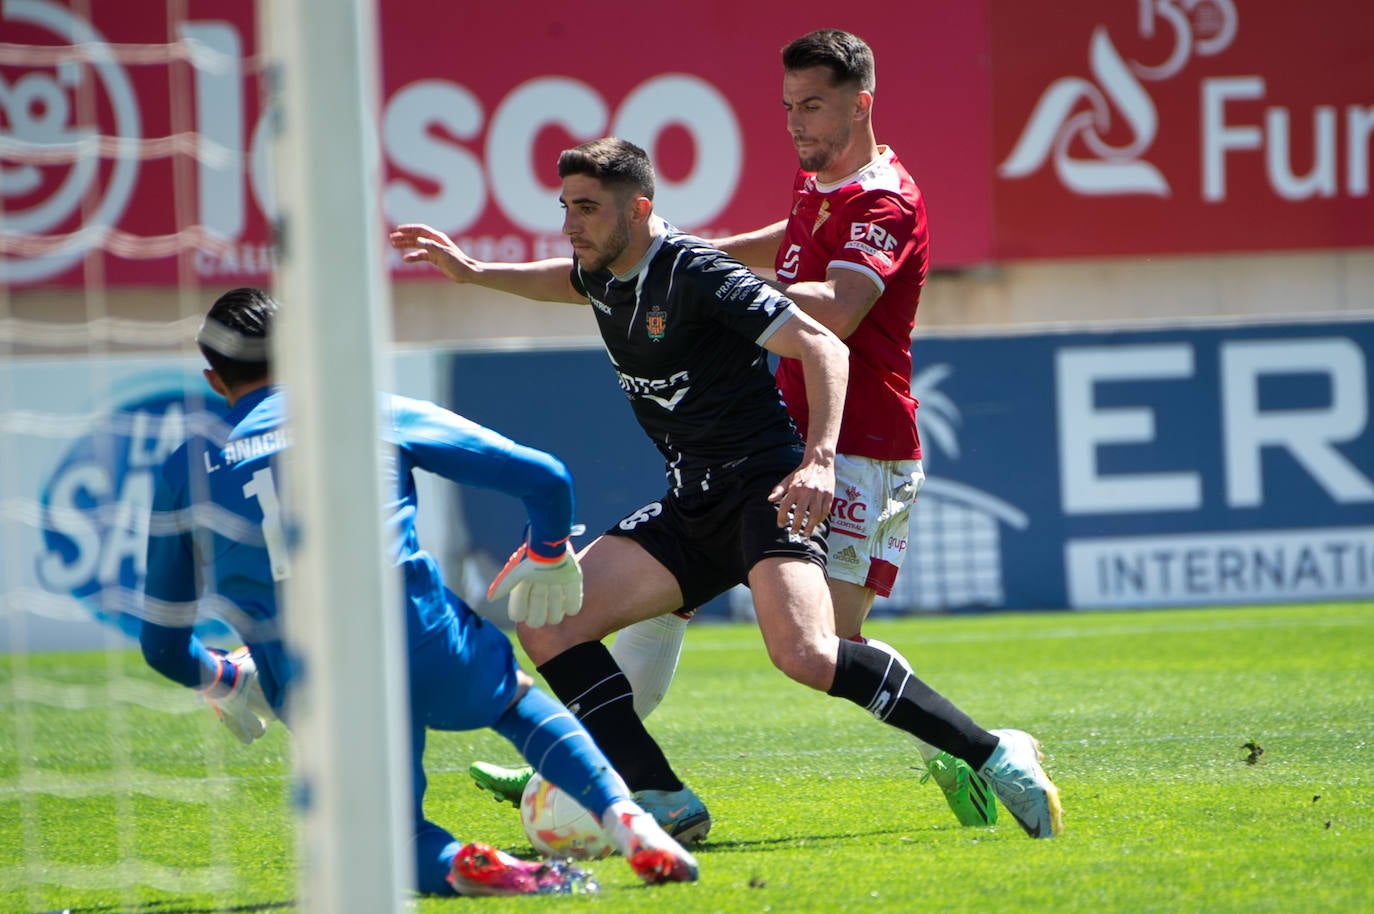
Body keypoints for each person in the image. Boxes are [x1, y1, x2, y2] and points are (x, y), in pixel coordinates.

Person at [388, 137, 1062, 841]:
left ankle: (992, 751)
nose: (571, 224)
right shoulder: (604, 271)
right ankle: (661, 797)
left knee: (806, 654)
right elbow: (565, 281)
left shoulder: (695, 271)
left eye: (587, 208)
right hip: (692, 501)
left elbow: (824, 346)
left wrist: (819, 460)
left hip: (763, 489)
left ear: (640, 207)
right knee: (547, 622)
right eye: (566, 207)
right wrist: (472, 273)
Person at [472, 28, 1000, 831]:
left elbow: (841, 308)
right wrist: (692, 260)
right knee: (656, 607)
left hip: (862, 445)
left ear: (860, 105)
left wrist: (707, 281)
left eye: (813, 107)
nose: (795, 125)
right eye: (788, 108)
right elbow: (777, 248)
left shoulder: (882, 201)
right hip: (781, 437)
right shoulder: (817, 176)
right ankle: (586, 769)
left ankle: (973, 752)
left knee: (828, 645)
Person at [136, 287, 699, 897]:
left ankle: (476, 866)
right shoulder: (363, 412)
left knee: (389, 838)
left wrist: (222, 676)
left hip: (305, 673)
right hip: (415, 628)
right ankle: (630, 821)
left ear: (213, 379)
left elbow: (162, 646)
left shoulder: (184, 470)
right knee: (513, 704)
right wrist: (549, 552)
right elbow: (544, 475)